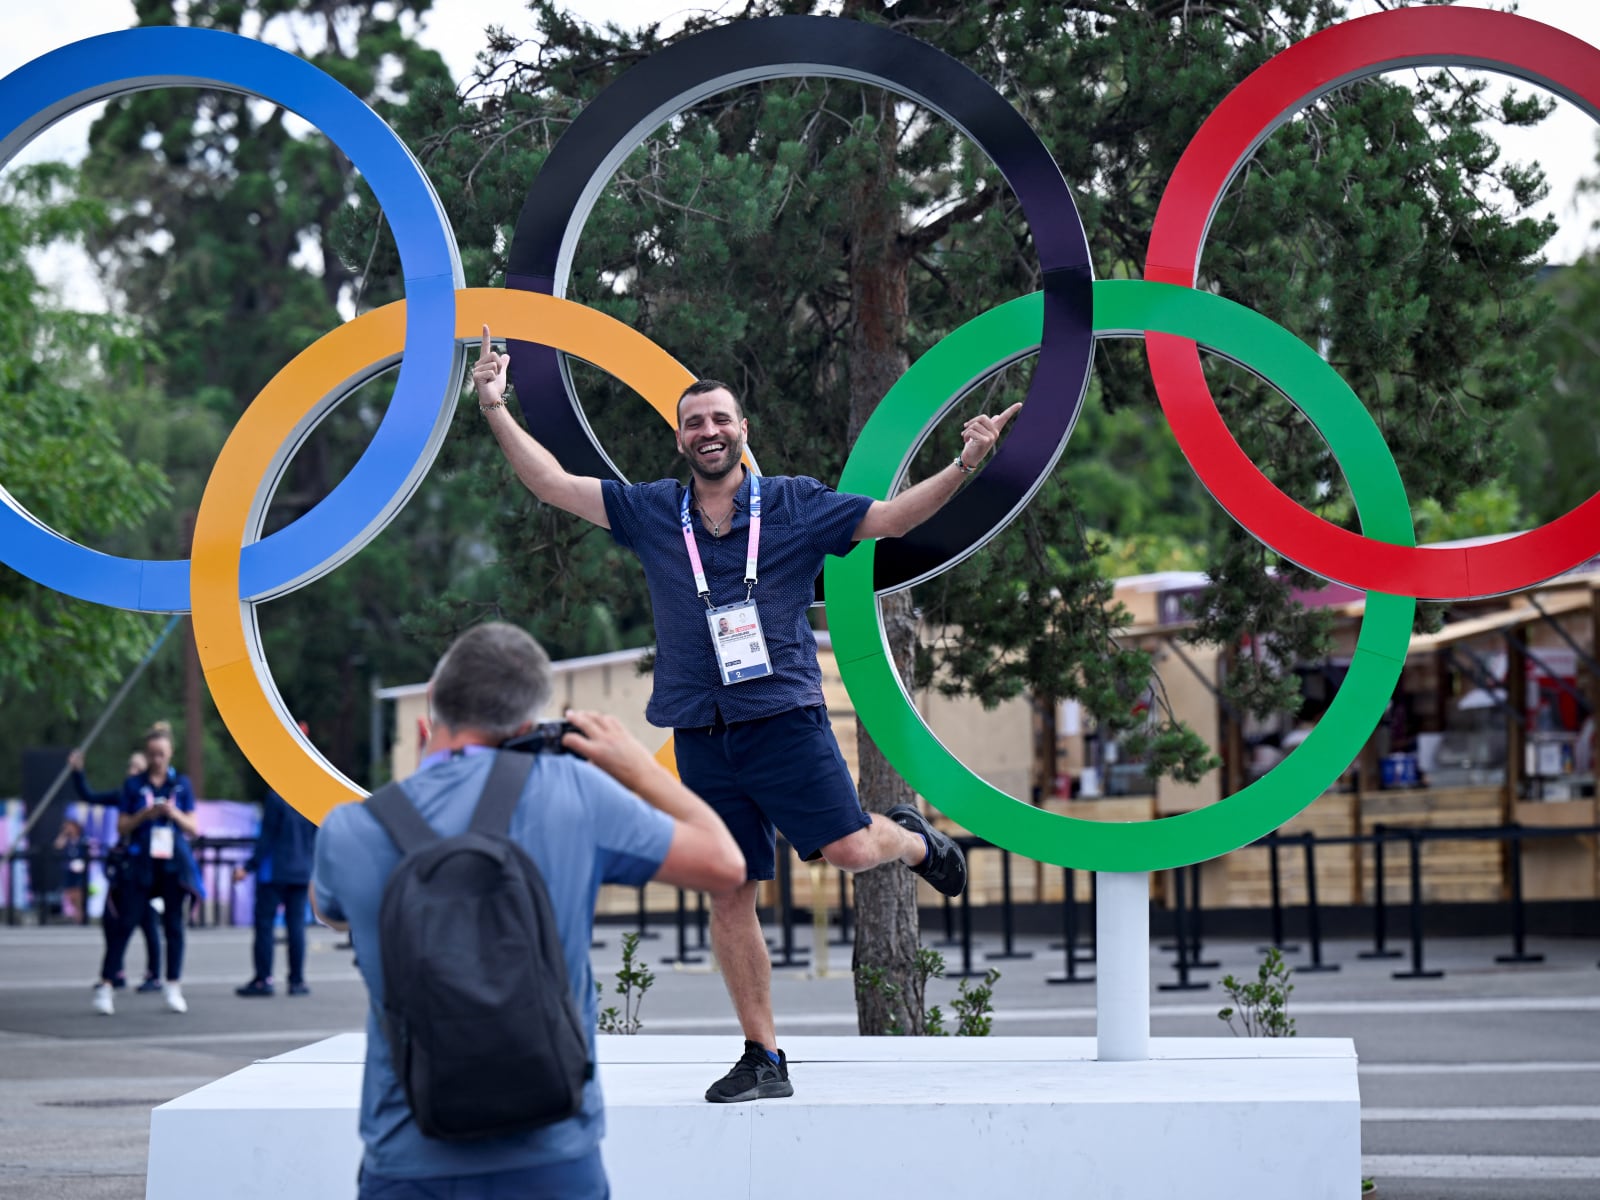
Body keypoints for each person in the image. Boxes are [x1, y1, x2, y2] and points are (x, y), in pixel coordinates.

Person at [475, 326, 1016, 1103]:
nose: (709, 432)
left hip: (783, 720)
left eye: (720, 419)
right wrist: (495, 404)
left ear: (742, 432)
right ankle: (764, 1056)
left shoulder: (793, 504)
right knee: (729, 886)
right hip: (699, 732)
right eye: (694, 422)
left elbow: (893, 520)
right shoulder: (655, 512)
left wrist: (966, 461)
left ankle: (907, 835)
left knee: (856, 854)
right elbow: (554, 484)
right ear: (680, 438)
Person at [311, 621, 743, 1199]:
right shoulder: (575, 793)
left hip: (407, 1158)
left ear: (427, 719)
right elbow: (724, 863)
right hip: (553, 1151)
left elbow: (330, 911)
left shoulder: (350, 830)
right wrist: (637, 768)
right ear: (524, 726)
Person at [91, 722, 203, 1016]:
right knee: (126, 922)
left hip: (171, 862)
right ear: (146, 754)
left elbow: (192, 826)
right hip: (141, 861)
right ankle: (106, 984)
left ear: (170, 753)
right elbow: (122, 825)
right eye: (152, 754)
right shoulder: (133, 785)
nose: (157, 760)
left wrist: (172, 812)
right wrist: (145, 814)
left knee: (173, 927)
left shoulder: (181, 785)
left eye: (162, 754)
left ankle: (173, 984)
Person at [69, 747, 163, 993]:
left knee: (147, 923)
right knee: (112, 920)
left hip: (145, 869)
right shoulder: (125, 794)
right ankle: (115, 972)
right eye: (129, 767)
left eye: (137, 768)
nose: (131, 772)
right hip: (123, 869)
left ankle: (154, 974)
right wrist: (78, 772)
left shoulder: (154, 798)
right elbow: (90, 796)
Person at [233, 790, 318, 997]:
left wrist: (249, 866)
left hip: (274, 871)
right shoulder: (310, 796)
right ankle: (296, 980)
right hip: (301, 870)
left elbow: (267, 837)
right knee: (296, 926)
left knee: (265, 926)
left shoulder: (276, 797)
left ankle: (264, 979)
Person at [52, 817, 89, 922]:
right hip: (68, 871)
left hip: (79, 871)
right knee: (70, 894)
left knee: (78, 894)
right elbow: (57, 846)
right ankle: (77, 915)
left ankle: (80, 917)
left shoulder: (82, 839)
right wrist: (64, 833)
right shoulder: (67, 840)